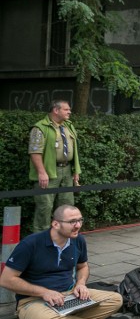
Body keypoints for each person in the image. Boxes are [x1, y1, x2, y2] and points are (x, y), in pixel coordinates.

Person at [0, 205, 132, 319]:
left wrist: (81, 284)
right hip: (34, 301)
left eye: (80, 220)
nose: (78, 226)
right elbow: (6, 279)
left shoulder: (78, 240)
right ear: (56, 224)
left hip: (69, 295)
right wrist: (44, 292)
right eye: (72, 222)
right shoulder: (30, 244)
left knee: (116, 300)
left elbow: (83, 266)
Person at [29, 100, 80, 233]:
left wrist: (76, 170)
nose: (69, 112)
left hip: (67, 171)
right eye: (66, 109)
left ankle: (64, 237)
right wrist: (41, 172)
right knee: (44, 207)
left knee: (67, 207)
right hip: (48, 172)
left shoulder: (69, 126)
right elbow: (35, 152)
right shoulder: (40, 127)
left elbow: (74, 150)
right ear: (56, 110)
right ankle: (41, 240)